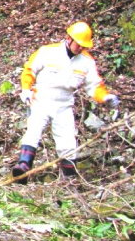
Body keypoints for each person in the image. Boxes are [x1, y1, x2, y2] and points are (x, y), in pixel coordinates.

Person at [11, 22, 120, 182]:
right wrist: (26, 90)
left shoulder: (86, 62)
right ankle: (23, 167)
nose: (80, 48)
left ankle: (69, 178)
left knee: (67, 140)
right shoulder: (48, 52)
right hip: (42, 98)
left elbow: (94, 85)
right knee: (33, 131)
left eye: (84, 45)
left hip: (64, 103)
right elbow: (29, 70)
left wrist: (104, 97)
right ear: (69, 38)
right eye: (78, 44)